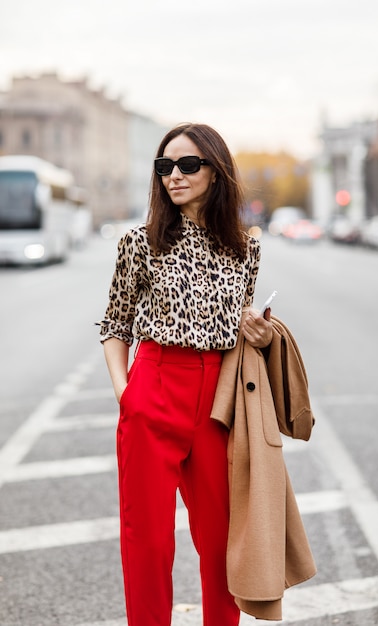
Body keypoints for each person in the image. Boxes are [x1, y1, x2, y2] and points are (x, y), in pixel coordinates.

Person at [98, 122, 272, 626]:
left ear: (216, 173)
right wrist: (125, 392)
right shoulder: (140, 241)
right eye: (164, 166)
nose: (173, 175)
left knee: (222, 539)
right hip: (153, 387)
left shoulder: (245, 247)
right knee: (147, 541)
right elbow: (115, 323)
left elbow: (239, 324)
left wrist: (258, 333)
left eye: (187, 165)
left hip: (219, 401)